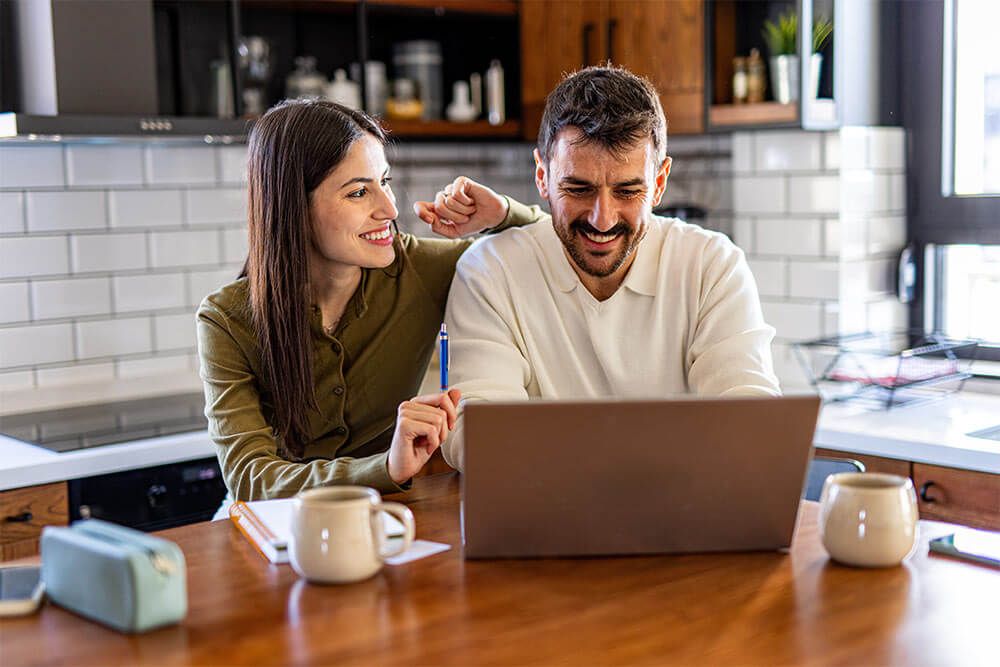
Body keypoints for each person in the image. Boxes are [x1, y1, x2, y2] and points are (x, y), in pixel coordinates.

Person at [196, 99, 544, 502]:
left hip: (380, 519)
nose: (390, 209)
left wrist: (501, 213)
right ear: (294, 206)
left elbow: (554, 246)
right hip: (268, 528)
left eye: (385, 181)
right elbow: (251, 479)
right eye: (360, 191)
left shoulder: (417, 269)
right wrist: (385, 468)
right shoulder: (226, 319)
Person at [441, 66, 781, 472]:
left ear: (659, 182)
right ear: (542, 176)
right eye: (578, 189)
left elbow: (752, 421)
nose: (603, 219)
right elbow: (475, 433)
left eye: (628, 190)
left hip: (683, 520)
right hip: (545, 521)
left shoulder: (711, 266)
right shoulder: (489, 271)